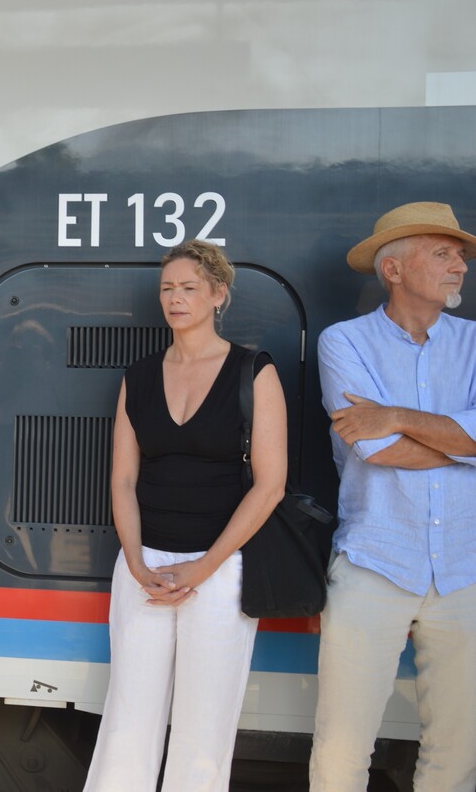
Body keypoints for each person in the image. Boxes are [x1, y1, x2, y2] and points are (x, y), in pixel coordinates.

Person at [83, 239, 288, 792]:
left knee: (205, 730)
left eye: (189, 287)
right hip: (142, 566)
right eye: (167, 289)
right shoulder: (141, 374)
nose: (175, 298)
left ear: (218, 294)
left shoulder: (254, 371)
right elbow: (123, 479)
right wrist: (134, 561)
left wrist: (203, 567)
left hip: (220, 572)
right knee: (129, 719)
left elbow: (271, 487)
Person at [312, 201, 476, 791]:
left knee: (458, 752)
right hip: (374, 563)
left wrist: (397, 415)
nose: (460, 265)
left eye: (459, 255)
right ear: (395, 270)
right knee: (342, 747)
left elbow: (389, 434)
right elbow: (373, 451)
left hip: (466, 569)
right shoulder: (343, 341)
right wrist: (462, 440)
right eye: (443, 252)